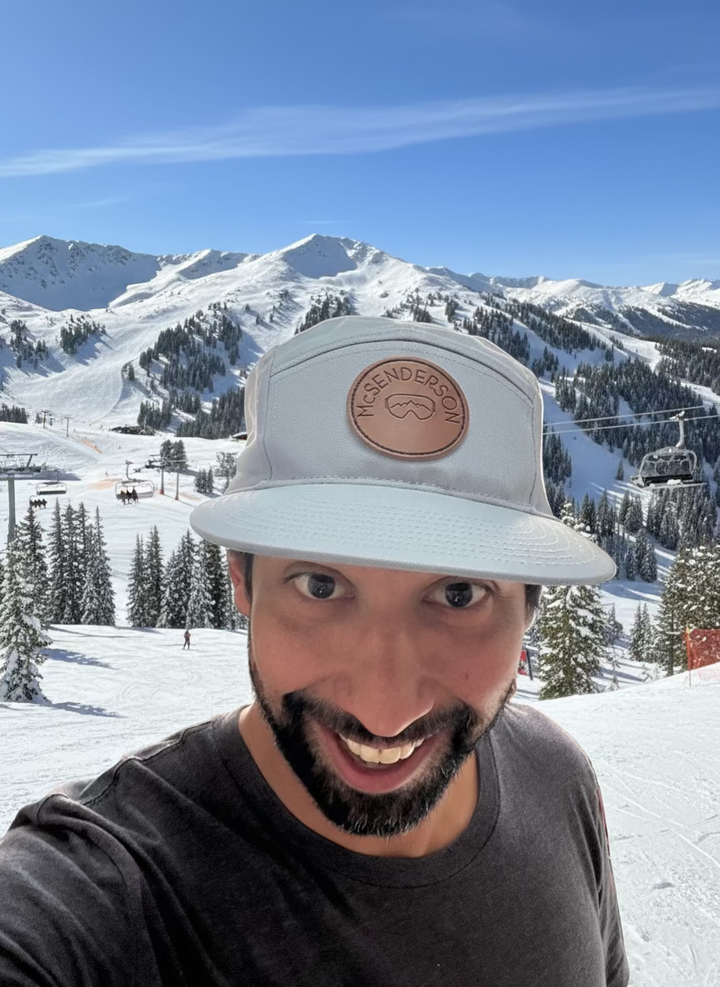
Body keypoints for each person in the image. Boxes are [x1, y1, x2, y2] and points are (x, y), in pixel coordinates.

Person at [0, 316, 628, 986]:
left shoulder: (557, 777)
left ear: (529, 608)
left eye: (459, 593)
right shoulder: (109, 885)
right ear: (242, 581)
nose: (386, 712)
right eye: (321, 585)